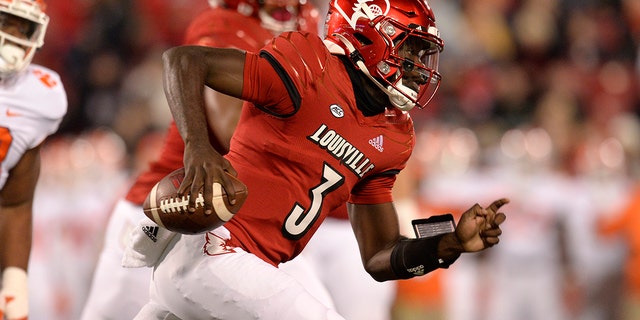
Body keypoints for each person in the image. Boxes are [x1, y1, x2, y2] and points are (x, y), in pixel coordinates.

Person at [129, 0, 509, 318]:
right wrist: (198, 147)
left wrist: (448, 245)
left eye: (422, 53)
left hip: (244, 268)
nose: (417, 66)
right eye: (409, 49)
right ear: (369, 35)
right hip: (213, 247)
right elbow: (183, 62)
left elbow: (379, 255)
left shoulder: (395, 135)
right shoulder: (309, 67)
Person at [79, 0, 323, 319]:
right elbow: (231, 131)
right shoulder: (224, 25)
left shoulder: (308, 23)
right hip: (171, 211)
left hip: (242, 223)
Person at [0, 1, 67, 319]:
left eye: (22, 28)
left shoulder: (39, 97)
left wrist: (14, 285)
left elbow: (14, 202)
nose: (12, 38)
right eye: (4, 21)